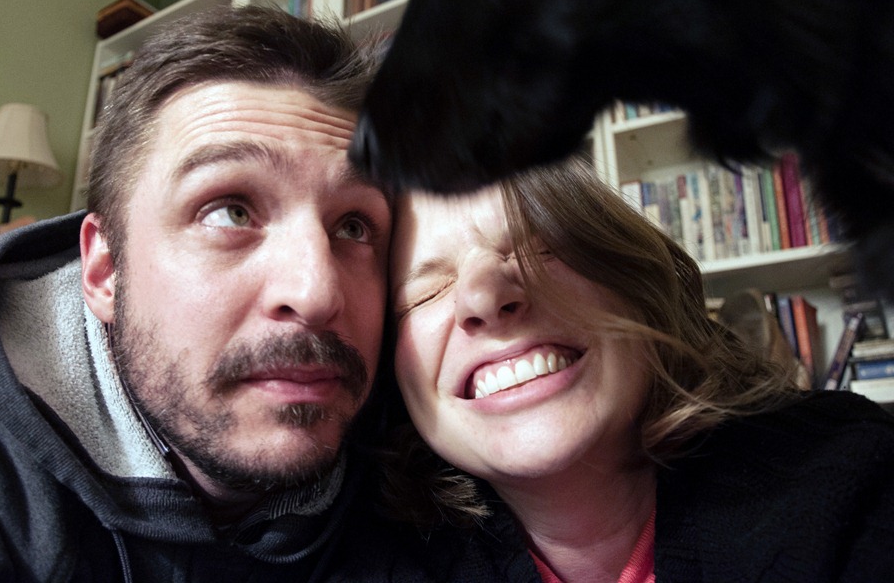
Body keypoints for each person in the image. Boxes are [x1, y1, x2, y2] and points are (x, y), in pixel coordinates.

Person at [0, 5, 399, 581]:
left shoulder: (423, 433)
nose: (317, 292)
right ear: (104, 269)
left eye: (354, 227)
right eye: (230, 211)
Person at [383, 157, 894, 582]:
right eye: (424, 292)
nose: (485, 296)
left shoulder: (854, 477)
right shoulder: (379, 562)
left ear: (636, 286)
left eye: (545, 247)